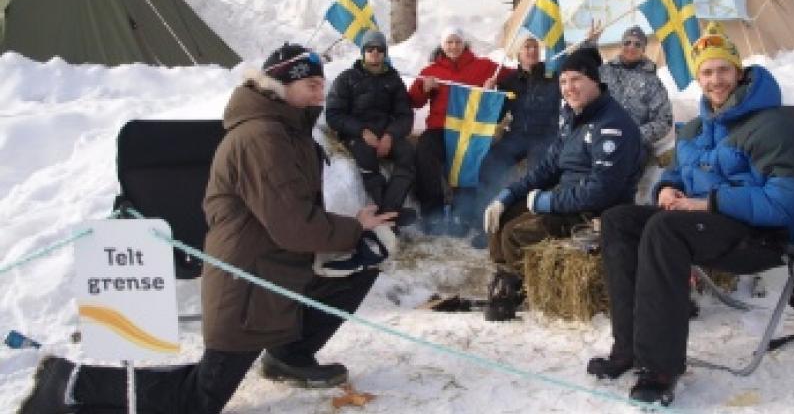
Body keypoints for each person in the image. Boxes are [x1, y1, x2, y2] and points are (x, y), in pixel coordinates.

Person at [17, 44, 396, 414]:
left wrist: (351, 239)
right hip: (248, 284)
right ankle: (70, 381)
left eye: (321, 82)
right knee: (199, 400)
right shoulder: (263, 137)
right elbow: (294, 225)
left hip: (278, 271)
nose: (321, 90)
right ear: (282, 85)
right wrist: (354, 229)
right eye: (311, 83)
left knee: (357, 270)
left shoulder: (287, 132)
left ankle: (289, 356)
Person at [589, 24, 794, 406]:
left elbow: (786, 202)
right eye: (706, 72)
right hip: (707, 225)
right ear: (698, 78)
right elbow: (675, 172)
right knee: (619, 221)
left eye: (723, 69)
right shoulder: (695, 127)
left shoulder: (772, 125)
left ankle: (659, 368)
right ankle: (628, 348)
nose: (715, 80)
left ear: (739, 72)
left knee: (663, 230)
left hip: (760, 236)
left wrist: (709, 202)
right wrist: (668, 190)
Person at [482, 47, 643, 321]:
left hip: (594, 213)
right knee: (502, 218)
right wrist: (508, 195)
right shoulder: (572, 118)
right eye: (563, 81)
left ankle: (520, 287)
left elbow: (601, 191)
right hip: (568, 199)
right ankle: (507, 277)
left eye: (576, 79)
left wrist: (548, 202)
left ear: (595, 81)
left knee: (515, 233)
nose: (569, 88)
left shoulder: (612, 124)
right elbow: (547, 168)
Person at [407, 27, 511, 235]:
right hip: (439, 128)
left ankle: (462, 213)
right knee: (425, 154)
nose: (453, 46)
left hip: (468, 129)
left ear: (464, 44)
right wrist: (423, 88)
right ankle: (433, 212)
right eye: (449, 42)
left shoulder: (482, 66)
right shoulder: (431, 71)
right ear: (442, 45)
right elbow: (413, 101)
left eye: (457, 42)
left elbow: (512, 75)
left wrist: (494, 85)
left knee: (470, 158)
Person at [469, 33, 562, 248]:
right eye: (526, 47)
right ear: (518, 53)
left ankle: (529, 227)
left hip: (545, 136)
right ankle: (485, 222)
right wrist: (490, 94)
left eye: (534, 47)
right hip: (517, 136)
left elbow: (579, 74)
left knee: (538, 175)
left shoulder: (552, 77)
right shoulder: (509, 81)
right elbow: (495, 115)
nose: (531, 51)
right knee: (488, 165)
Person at [326, 30, 417, 224]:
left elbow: (405, 115)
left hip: (386, 133)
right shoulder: (347, 78)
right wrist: (361, 131)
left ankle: (387, 212)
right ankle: (390, 214)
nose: (374, 52)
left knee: (408, 154)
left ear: (385, 53)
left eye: (379, 49)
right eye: (370, 48)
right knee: (366, 155)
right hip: (357, 134)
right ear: (363, 52)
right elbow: (334, 114)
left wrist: (390, 135)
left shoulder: (394, 80)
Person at [598, 26, 673, 163]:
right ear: (621, 46)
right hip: (600, 137)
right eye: (627, 42)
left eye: (637, 44)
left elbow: (664, 120)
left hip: (633, 144)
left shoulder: (653, 82)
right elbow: (581, 74)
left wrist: (633, 134)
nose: (631, 47)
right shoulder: (603, 72)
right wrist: (589, 44)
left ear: (643, 50)